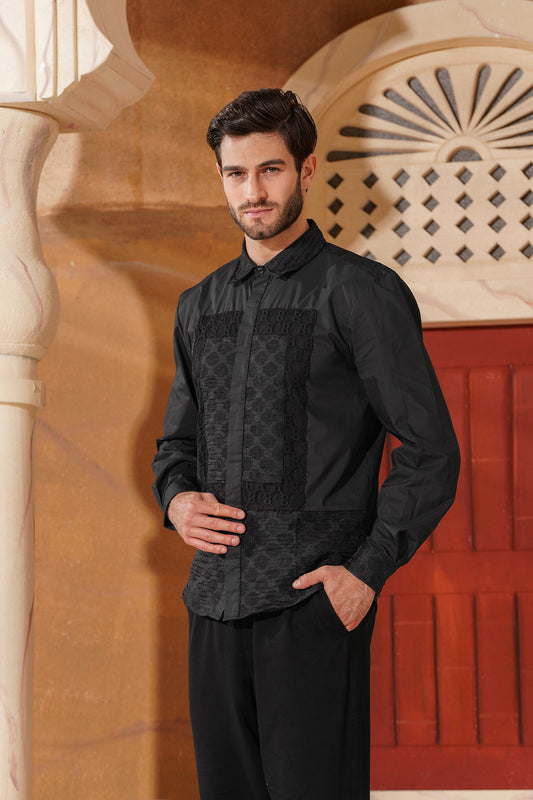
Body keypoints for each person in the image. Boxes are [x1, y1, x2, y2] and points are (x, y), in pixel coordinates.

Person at [152, 88, 460, 800]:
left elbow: (430, 449)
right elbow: (176, 443)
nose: (252, 192)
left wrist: (364, 574)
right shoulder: (198, 305)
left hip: (311, 603)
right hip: (212, 605)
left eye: (270, 170)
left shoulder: (360, 292)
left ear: (307, 170)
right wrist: (176, 501)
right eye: (236, 173)